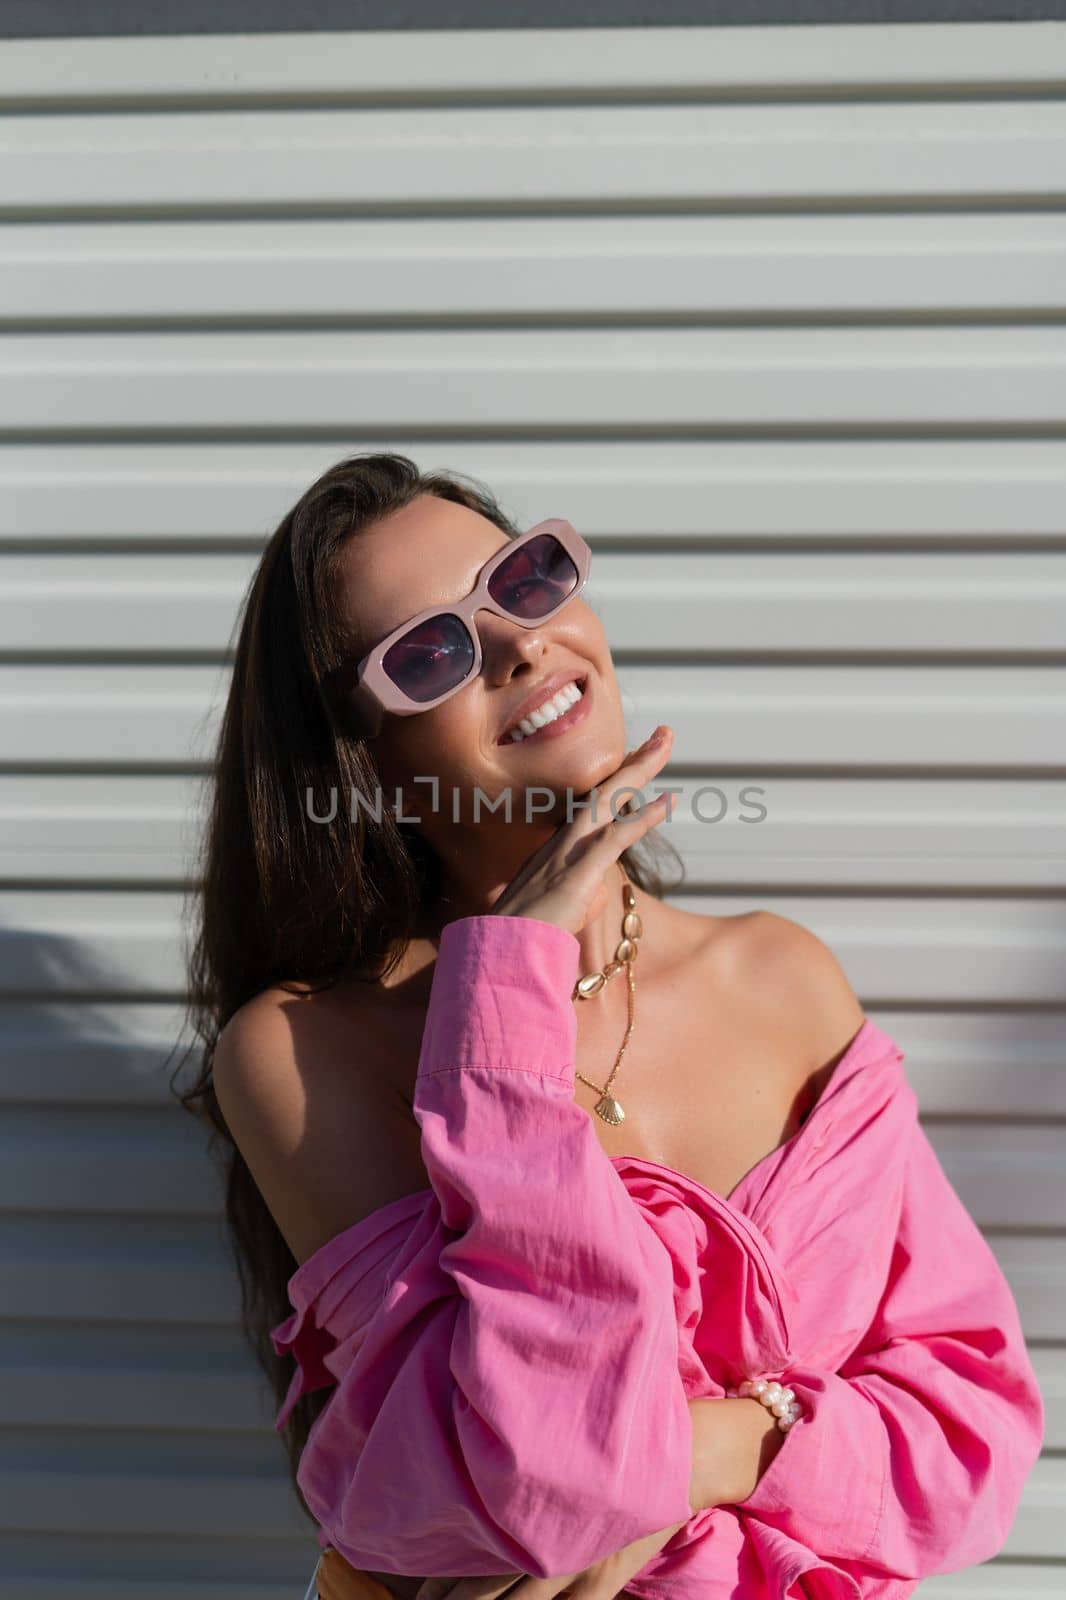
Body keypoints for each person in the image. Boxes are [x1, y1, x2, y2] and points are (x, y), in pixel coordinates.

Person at [178, 451, 1043, 1600]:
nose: (519, 644)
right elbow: (532, 1485)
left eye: (524, 580)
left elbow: (973, 1427)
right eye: (432, 651)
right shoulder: (303, 1053)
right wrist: (507, 997)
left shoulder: (782, 978)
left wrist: (717, 1447)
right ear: (370, 766)